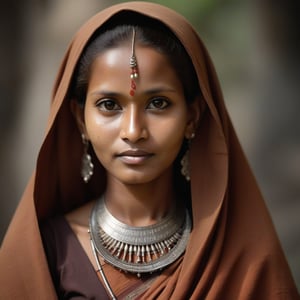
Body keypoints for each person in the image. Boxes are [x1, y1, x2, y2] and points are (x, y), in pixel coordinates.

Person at [0, 2, 298, 299]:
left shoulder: (236, 255)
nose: (133, 131)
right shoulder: (46, 253)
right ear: (81, 119)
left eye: (158, 104)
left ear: (192, 117)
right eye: (109, 105)